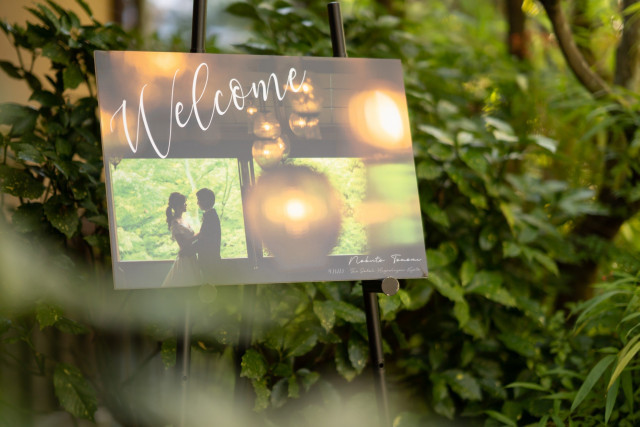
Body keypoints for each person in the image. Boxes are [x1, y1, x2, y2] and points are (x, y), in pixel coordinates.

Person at [161, 192, 201, 287]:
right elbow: (182, 245)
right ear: (179, 205)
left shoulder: (183, 219)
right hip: (185, 259)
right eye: (184, 203)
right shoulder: (175, 223)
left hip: (192, 257)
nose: (186, 205)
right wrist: (199, 235)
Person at [193, 188, 222, 281]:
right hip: (210, 259)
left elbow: (205, 240)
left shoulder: (210, 217)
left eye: (199, 200)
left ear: (205, 201)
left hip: (210, 260)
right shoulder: (211, 215)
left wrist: (188, 249)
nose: (197, 203)